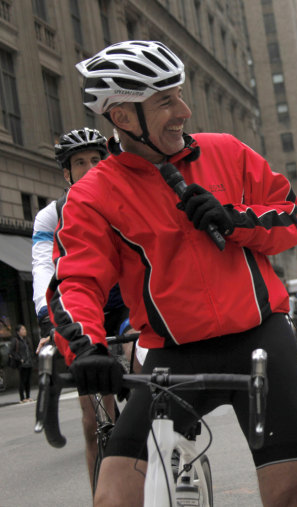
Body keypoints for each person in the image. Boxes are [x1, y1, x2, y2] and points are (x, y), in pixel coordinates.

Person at [47, 41, 297, 506]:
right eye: (165, 100)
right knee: (113, 496)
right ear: (125, 117)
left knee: (290, 496)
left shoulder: (226, 152)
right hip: (176, 356)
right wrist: (87, 349)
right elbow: (76, 282)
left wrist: (235, 219)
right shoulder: (92, 195)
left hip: (261, 342)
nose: (184, 110)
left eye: (180, 95)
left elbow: (290, 220)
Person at [32, 127, 133, 491]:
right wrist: (47, 316)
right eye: (80, 163)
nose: (90, 168)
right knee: (92, 422)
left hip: (125, 310)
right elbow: (44, 268)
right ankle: (101, 496)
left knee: (144, 379)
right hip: (80, 313)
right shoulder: (51, 216)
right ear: (66, 172)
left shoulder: (123, 200)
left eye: (96, 160)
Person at [10, 324, 34, 403]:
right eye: (22, 329)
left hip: (29, 362)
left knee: (28, 380)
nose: (25, 331)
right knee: (22, 380)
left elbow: (30, 350)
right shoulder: (15, 340)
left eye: (25, 329)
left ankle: (28, 396)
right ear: (18, 332)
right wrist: (20, 359)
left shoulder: (26, 340)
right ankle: (22, 398)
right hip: (21, 364)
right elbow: (12, 352)